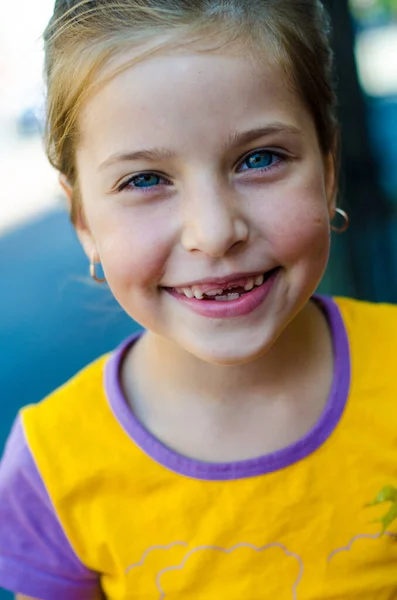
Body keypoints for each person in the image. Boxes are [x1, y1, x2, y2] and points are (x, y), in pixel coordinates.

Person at [1, 0, 397, 598]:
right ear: (84, 220)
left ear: (329, 171)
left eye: (259, 159)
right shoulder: (53, 468)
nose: (214, 233)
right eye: (144, 180)